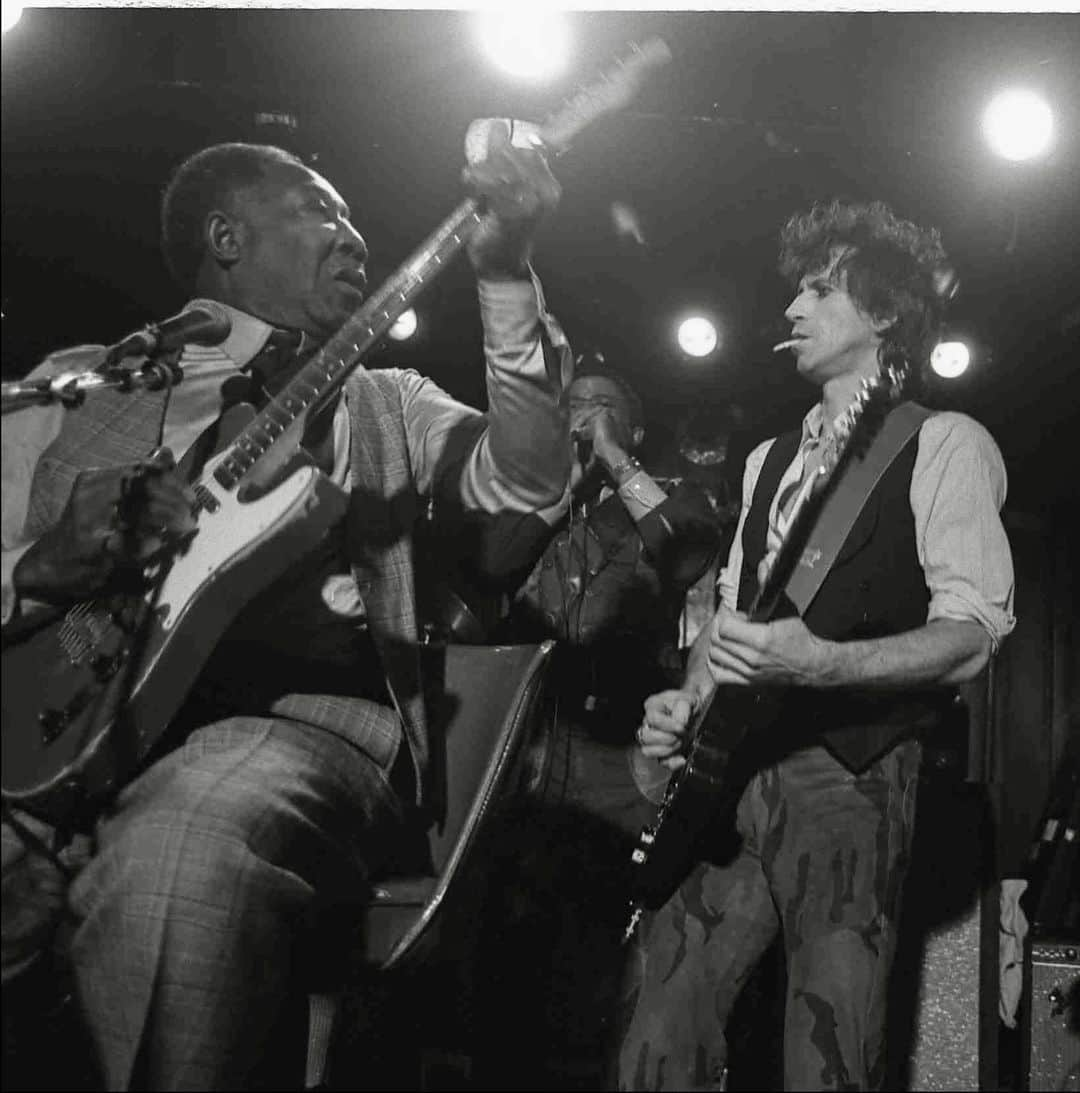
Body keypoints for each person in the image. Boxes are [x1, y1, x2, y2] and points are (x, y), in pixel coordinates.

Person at [1, 131, 570, 1089]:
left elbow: (528, 484)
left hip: (287, 725)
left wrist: (506, 275)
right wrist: (41, 564)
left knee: (178, 856)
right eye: (320, 210)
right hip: (52, 733)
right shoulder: (78, 384)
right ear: (226, 236)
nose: (353, 234)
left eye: (352, 217)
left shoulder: (389, 399)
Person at [617, 199, 1015, 1091]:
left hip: (853, 771)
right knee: (658, 1030)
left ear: (881, 314)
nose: (791, 310)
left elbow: (973, 634)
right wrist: (686, 701)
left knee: (827, 1049)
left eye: (818, 289)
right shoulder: (764, 462)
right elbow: (728, 624)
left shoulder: (944, 443)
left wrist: (826, 664)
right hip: (728, 776)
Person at [473, 358, 721, 1084]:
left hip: (614, 771)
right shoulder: (536, 502)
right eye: (572, 404)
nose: (580, 415)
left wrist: (615, 458)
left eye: (600, 407)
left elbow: (689, 549)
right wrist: (558, 482)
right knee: (502, 968)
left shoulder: (672, 501)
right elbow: (483, 575)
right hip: (521, 758)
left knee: (594, 976)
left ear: (633, 426)